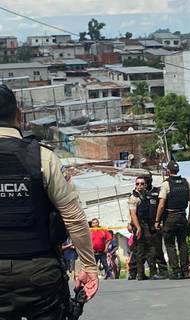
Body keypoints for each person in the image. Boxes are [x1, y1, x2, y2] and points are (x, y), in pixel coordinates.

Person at [0, 84, 98, 318]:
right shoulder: (43, 157)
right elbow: (73, 216)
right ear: (19, 116)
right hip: (40, 273)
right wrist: (89, 266)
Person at [155, 160, 190, 280]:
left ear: (168, 171)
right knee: (183, 244)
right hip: (182, 216)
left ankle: (176, 271)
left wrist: (157, 220)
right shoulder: (185, 182)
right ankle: (185, 271)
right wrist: (189, 217)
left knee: (170, 244)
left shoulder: (166, 184)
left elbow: (161, 205)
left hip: (170, 217)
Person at [128, 177, 164, 280]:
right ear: (135, 185)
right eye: (138, 183)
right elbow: (133, 214)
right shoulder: (134, 197)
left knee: (147, 249)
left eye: (142, 184)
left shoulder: (145, 195)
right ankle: (142, 273)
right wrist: (138, 227)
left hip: (147, 225)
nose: (140, 185)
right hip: (140, 226)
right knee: (143, 250)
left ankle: (145, 273)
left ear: (145, 185)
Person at [144, 174, 169, 278]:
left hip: (156, 224)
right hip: (145, 225)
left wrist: (160, 221)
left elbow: (162, 207)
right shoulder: (139, 194)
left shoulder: (157, 192)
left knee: (158, 248)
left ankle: (163, 270)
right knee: (148, 250)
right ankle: (152, 271)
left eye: (148, 180)